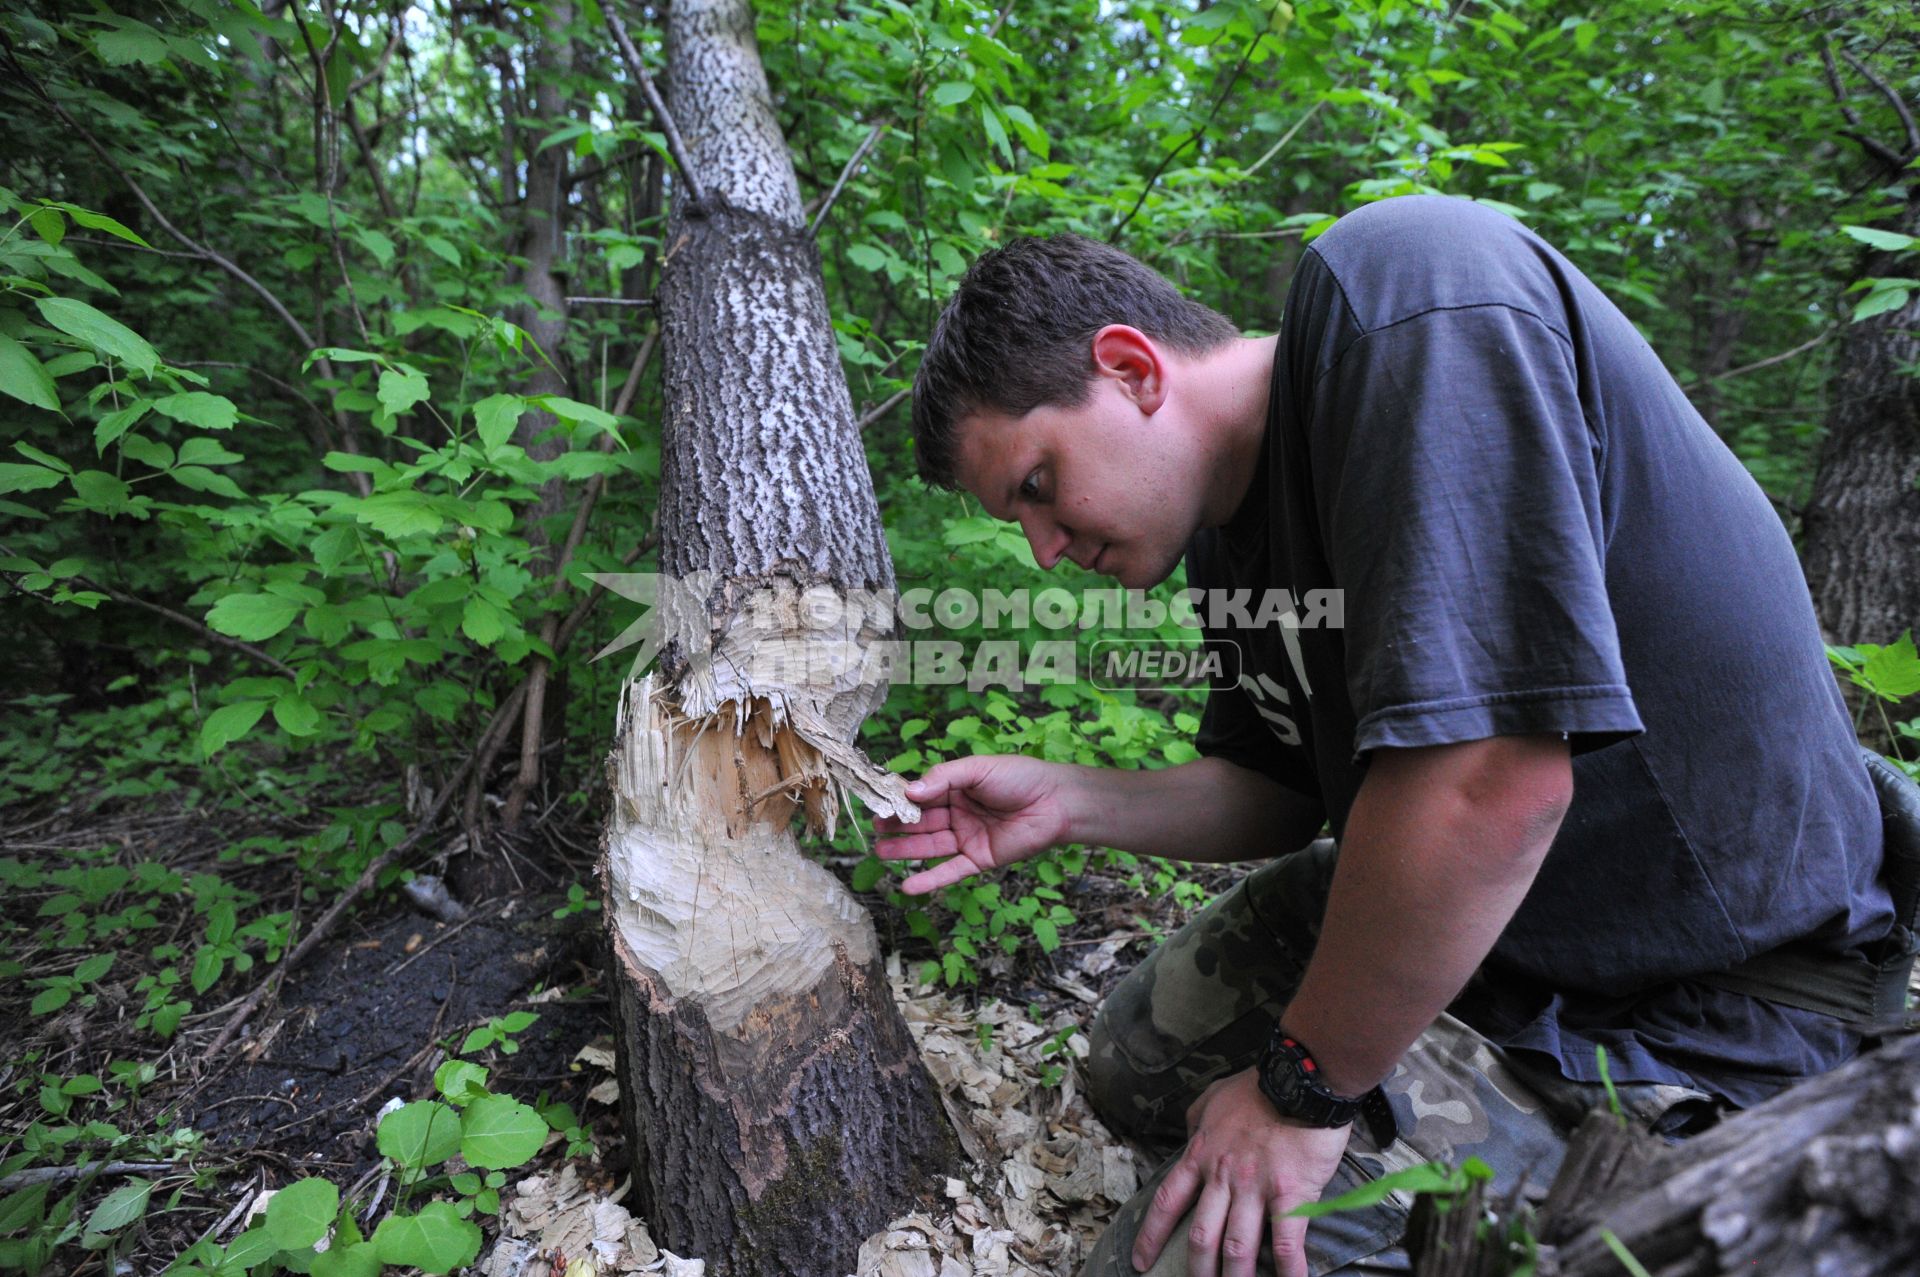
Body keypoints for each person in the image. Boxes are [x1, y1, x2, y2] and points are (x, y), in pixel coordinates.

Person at [873, 195, 1902, 1277]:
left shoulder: (1411, 300)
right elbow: (1275, 784)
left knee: (1180, 1258)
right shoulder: (1228, 540)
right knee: (1134, 1058)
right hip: (1519, 929)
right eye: (1018, 519)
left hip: (1710, 1002)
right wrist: (1072, 800)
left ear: (1132, 369)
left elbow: (1494, 782)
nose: (1043, 547)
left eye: (1038, 485)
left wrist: (1300, 1091)